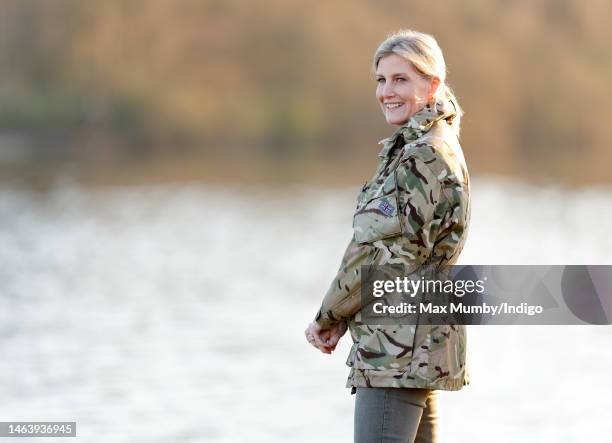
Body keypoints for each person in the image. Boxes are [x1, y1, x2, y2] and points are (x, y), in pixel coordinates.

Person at [304, 29, 471, 443]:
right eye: (381, 79)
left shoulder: (424, 154)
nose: (386, 91)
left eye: (401, 79)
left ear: (432, 84)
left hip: (397, 347)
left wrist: (330, 315)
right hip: (410, 341)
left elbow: (380, 256)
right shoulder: (421, 145)